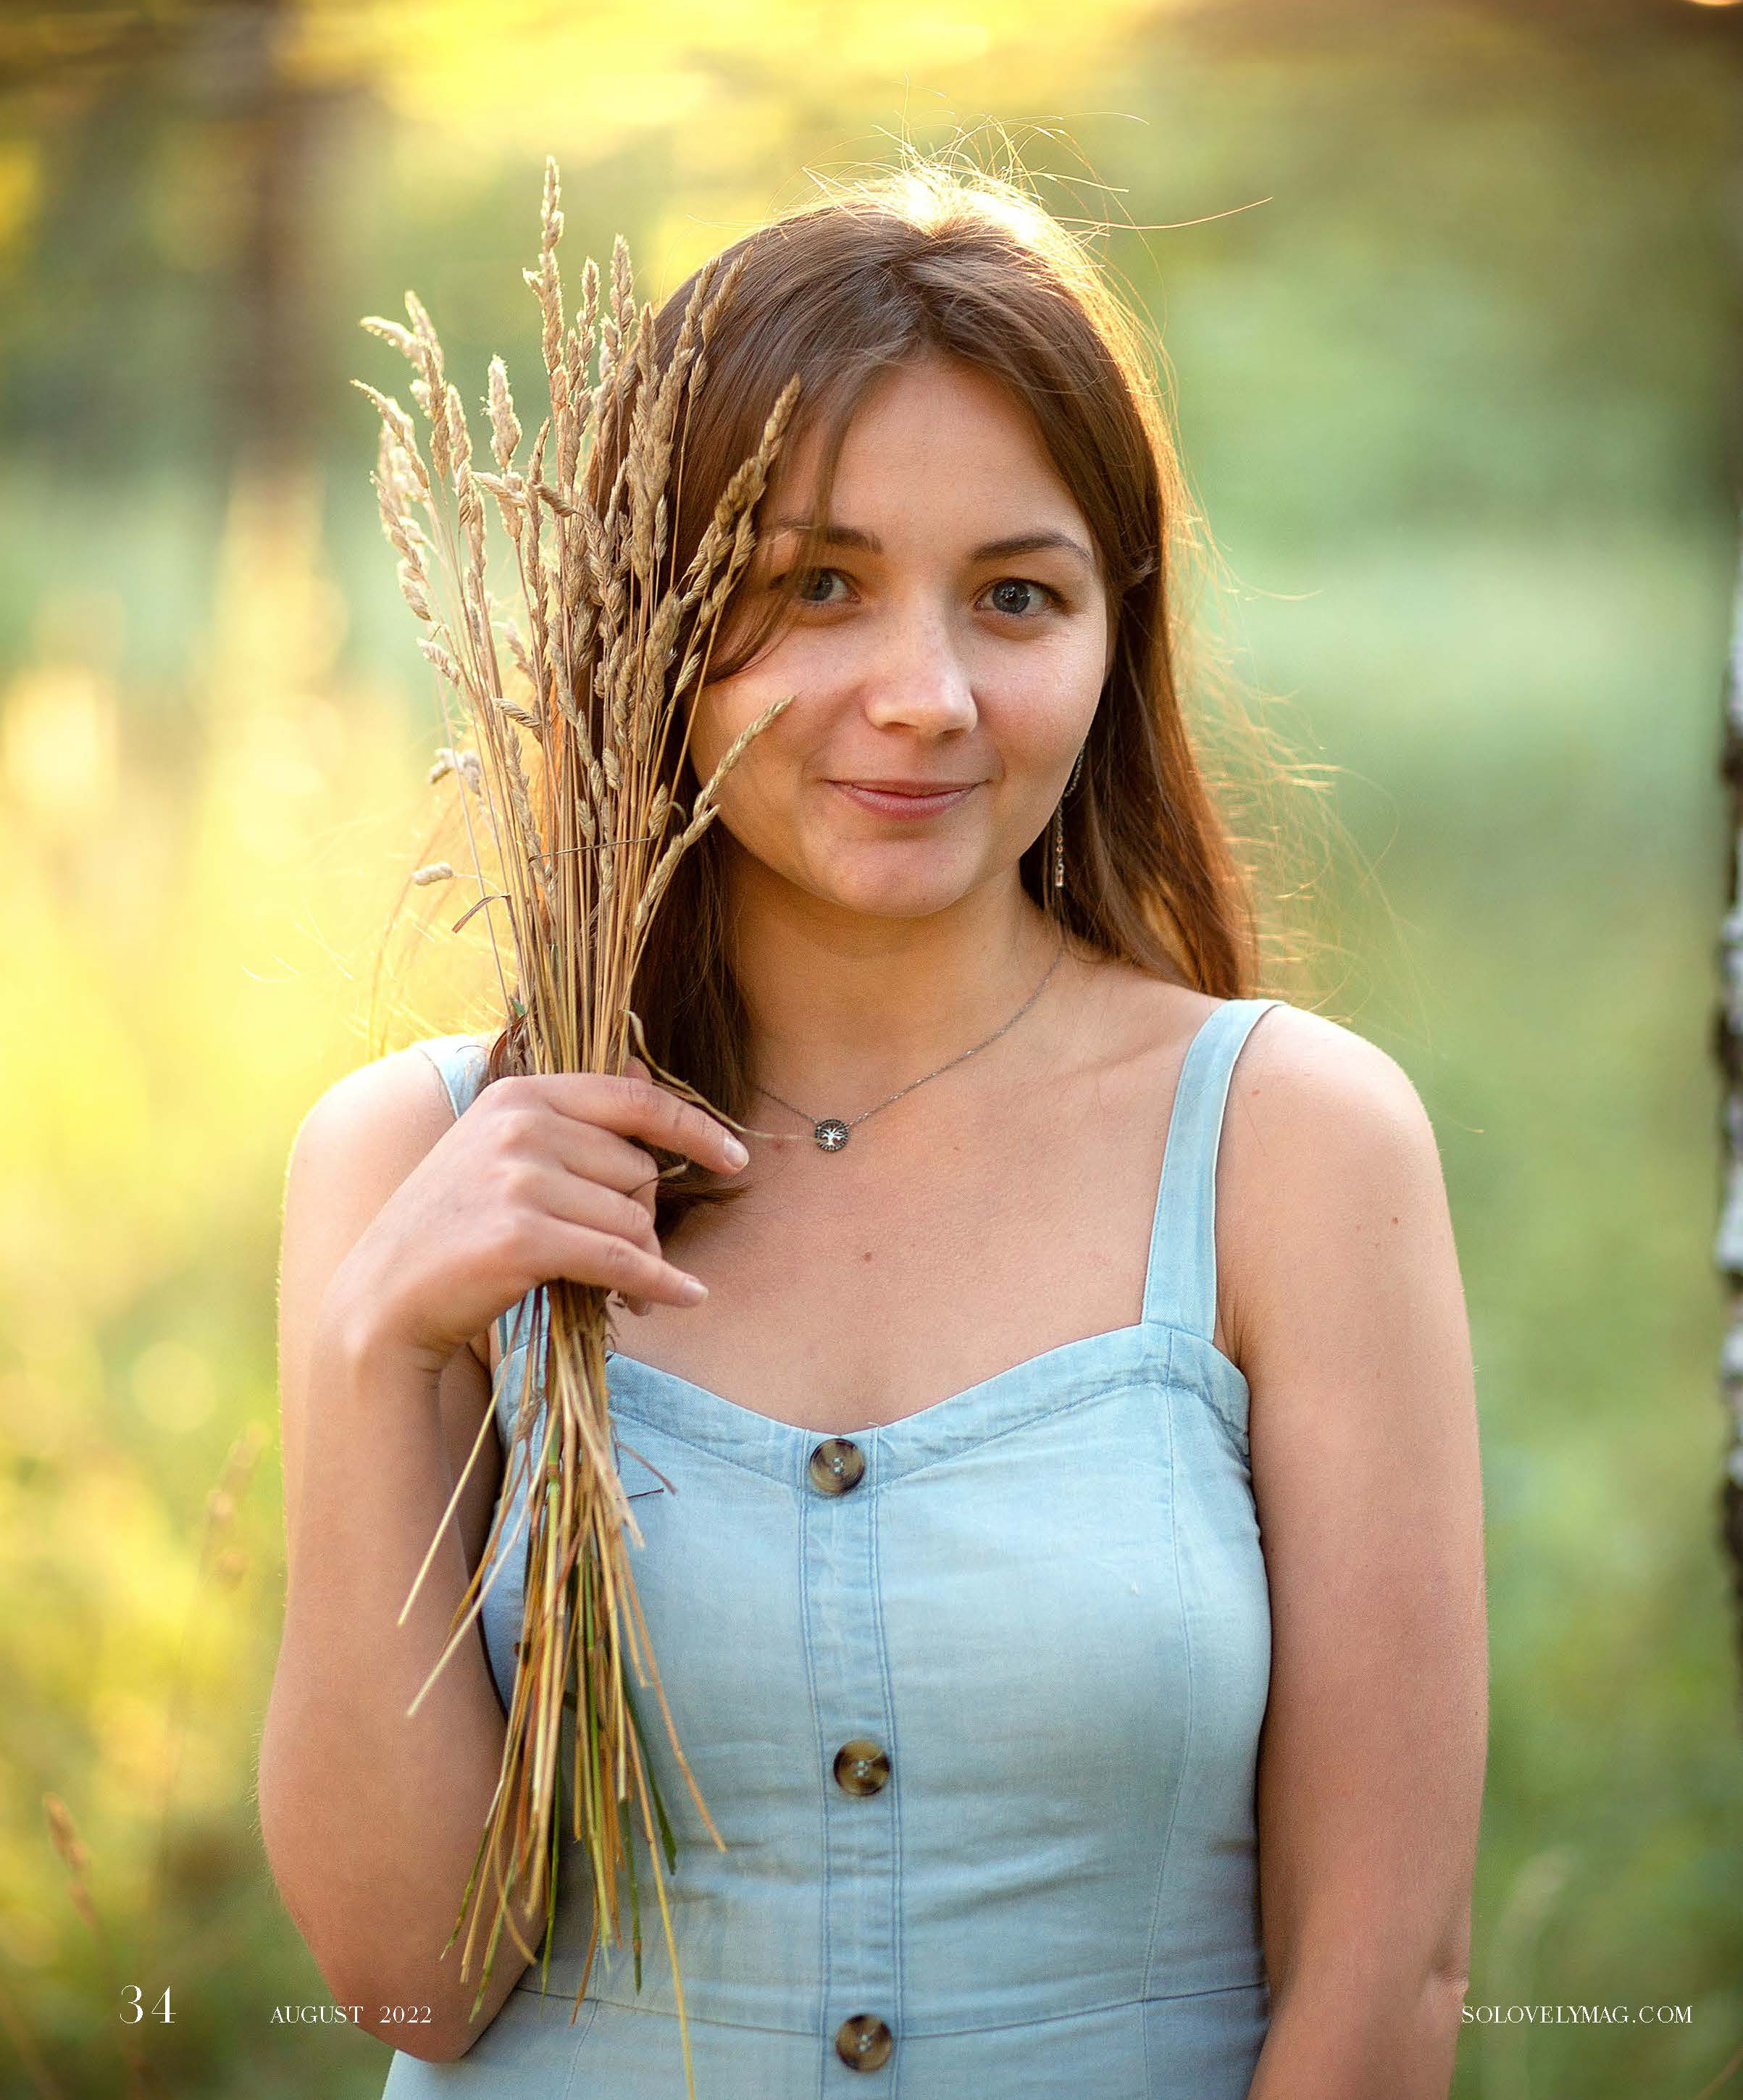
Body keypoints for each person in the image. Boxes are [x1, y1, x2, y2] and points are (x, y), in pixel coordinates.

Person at [259, 162, 1487, 2099]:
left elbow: (1384, 1974)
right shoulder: (405, 1161)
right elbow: (416, 1979)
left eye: (1016, 595)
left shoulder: (1291, 1146)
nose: (922, 697)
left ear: (1113, 630)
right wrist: (374, 1349)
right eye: (814, 584)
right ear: (652, 623)